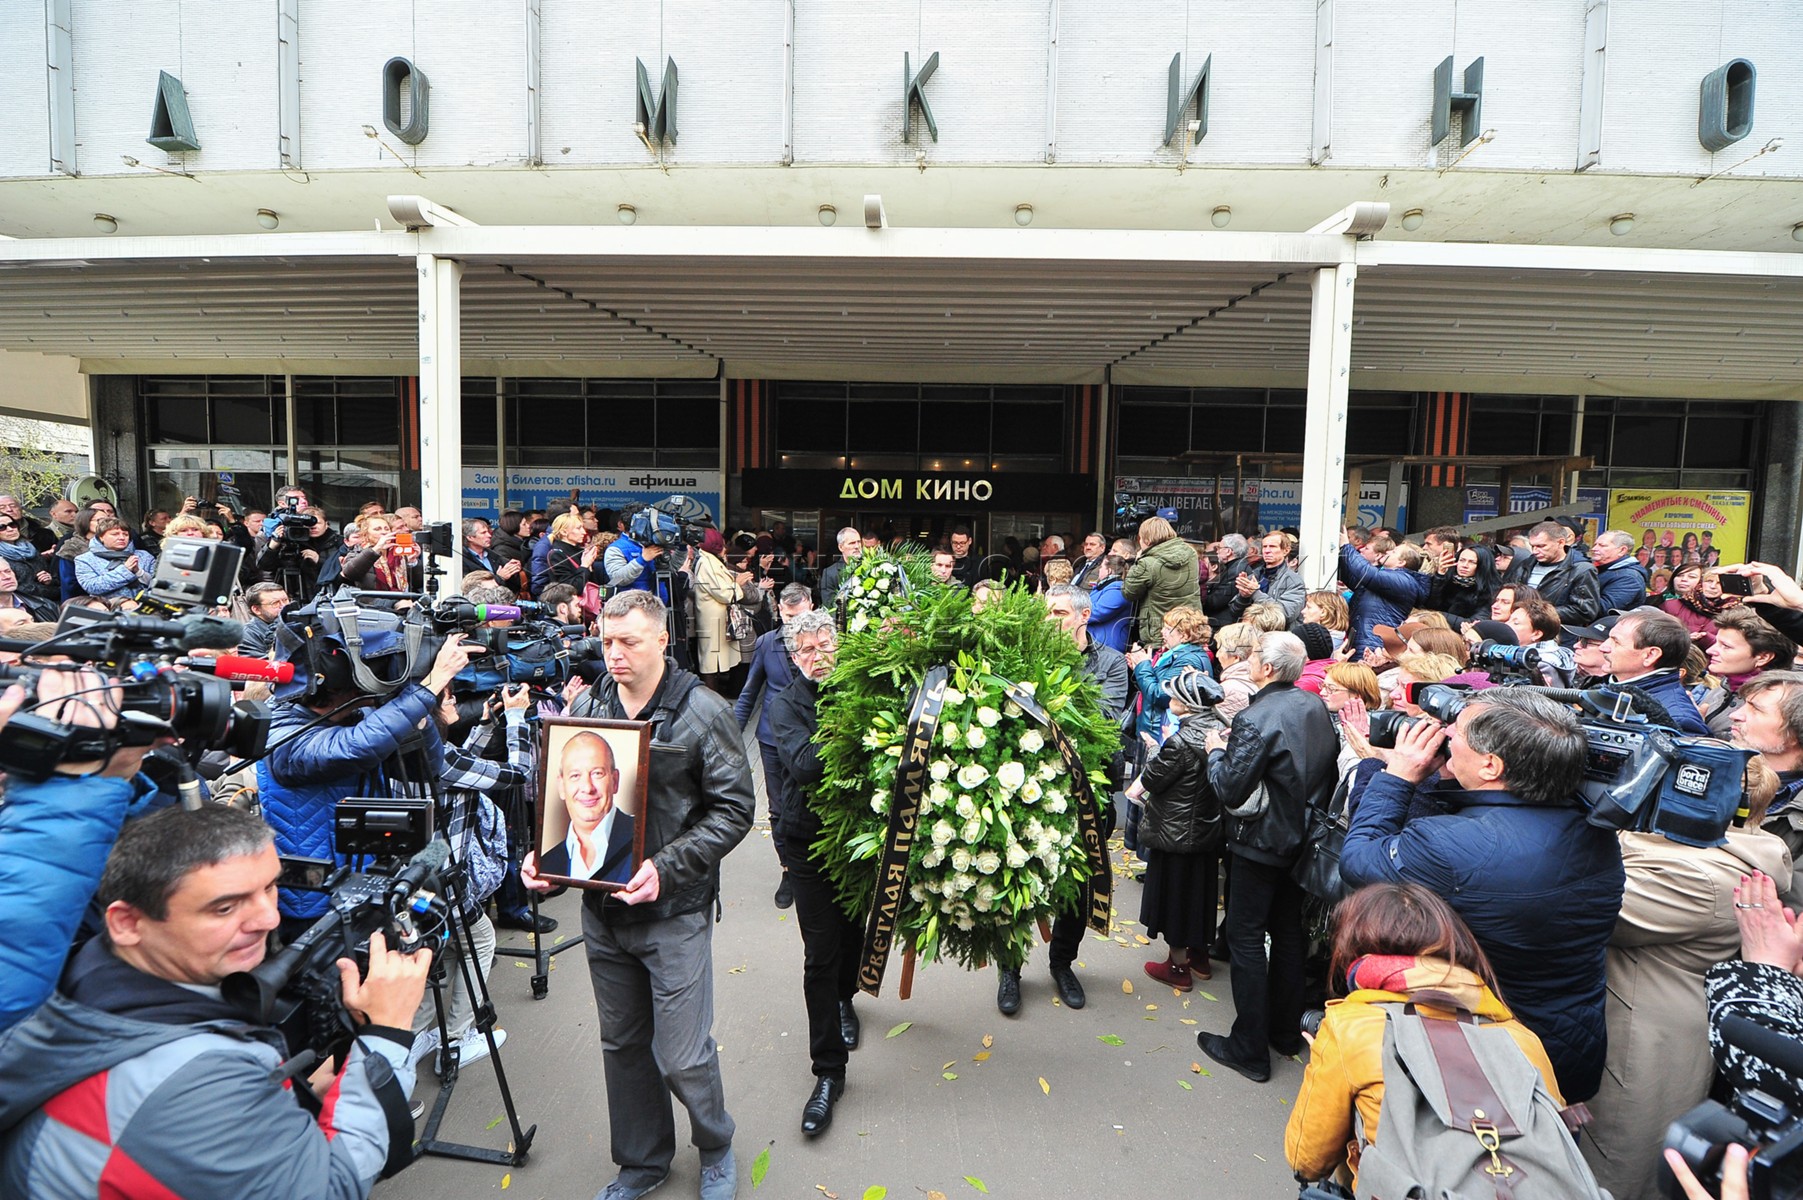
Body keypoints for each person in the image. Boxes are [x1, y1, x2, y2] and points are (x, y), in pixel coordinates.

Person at [0, 805, 431, 1200]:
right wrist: (387, 1031)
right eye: (225, 907)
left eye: (270, 887)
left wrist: (285, 1100)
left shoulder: (78, 983)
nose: (269, 918)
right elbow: (330, 1189)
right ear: (127, 922)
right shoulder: (194, 1085)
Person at [526, 589, 752, 1200]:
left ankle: (715, 1142)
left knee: (682, 1054)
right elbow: (564, 795)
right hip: (601, 909)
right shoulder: (591, 700)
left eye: (628, 641)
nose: (614, 654)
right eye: (606, 641)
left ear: (662, 640)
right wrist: (546, 858)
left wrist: (667, 866)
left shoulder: (705, 711)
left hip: (673, 910)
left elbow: (734, 809)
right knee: (623, 1044)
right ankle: (643, 1161)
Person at [1339, 690, 1626, 1102]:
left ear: (1491, 765)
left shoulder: (1453, 844)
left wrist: (1396, 777)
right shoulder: (1594, 830)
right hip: (1565, 1046)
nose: (1445, 733)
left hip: (1485, 1053)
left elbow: (1358, 861)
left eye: (1458, 732)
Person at [1580, 761, 1793, 1200]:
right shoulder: (1704, 850)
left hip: (1643, 1047)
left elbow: (1580, 904)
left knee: (1613, 1172)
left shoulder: (1709, 875)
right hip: (1630, 1021)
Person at [1285, 883, 1565, 1194]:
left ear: (1356, 949)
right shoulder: (1524, 1041)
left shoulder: (1351, 1028)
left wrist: (1324, 1066)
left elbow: (1305, 1160)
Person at [258, 631, 475, 927]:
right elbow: (354, 748)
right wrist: (430, 685)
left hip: (366, 881)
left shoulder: (356, 715)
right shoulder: (283, 734)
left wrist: (416, 710)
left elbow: (424, 767)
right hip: (315, 901)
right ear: (346, 683)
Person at [1198, 630, 1337, 1083]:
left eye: (1256, 654)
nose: (1250, 658)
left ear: (1269, 669)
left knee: (1246, 937)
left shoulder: (1257, 716)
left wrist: (1216, 754)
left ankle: (1249, 1046)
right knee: (1288, 933)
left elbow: (1230, 788)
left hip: (1260, 842)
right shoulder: (1313, 705)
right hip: (1300, 838)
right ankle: (1283, 1031)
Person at [996, 584, 1129, 1016]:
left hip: (1089, 789)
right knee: (1017, 876)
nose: (1049, 621)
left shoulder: (1109, 663)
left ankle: (1062, 963)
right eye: (1045, 613)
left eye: (1057, 613)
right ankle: (1009, 969)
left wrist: (1048, 703)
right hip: (1032, 785)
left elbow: (1103, 722)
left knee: (1077, 883)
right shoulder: (1026, 658)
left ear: (1082, 616)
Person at [764, 609, 863, 1136]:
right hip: (809, 842)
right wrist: (858, 733)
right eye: (807, 650)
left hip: (861, 839)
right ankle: (828, 1071)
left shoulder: (866, 688)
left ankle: (846, 998)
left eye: (827, 645)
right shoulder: (786, 705)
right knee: (820, 952)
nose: (819, 656)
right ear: (794, 657)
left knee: (856, 934)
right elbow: (803, 764)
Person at [1127, 669, 1227, 990]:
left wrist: (1154, 748)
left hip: (1175, 832)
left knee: (1174, 899)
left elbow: (1154, 778)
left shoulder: (1181, 742)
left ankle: (1178, 967)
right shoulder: (1217, 732)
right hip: (1206, 832)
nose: (1170, 701)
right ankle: (1200, 958)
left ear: (1187, 704)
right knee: (1200, 894)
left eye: (1174, 697)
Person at [735, 583, 813, 908]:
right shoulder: (767, 643)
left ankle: (814, 867)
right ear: (780, 611)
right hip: (771, 740)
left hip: (810, 739)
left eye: (801, 615)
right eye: (789, 616)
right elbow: (749, 693)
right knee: (779, 810)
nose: (794, 622)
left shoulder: (825, 641)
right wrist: (729, 736)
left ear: (812, 606)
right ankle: (787, 870)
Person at [540, 731, 637, 885]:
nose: (587, 787)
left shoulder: (643, 839)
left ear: (615, 781)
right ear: (561, 786)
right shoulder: (547, 863)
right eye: (575, 776)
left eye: (597, 773)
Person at [1595, 605, 1711, 734]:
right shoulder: (1608, 687)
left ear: (1650, 655)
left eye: (1616, 642)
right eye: (1609, 638)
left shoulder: (1677, 719)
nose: (1603, 647)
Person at [1703, 606, 1799, 737]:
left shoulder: (1776, 707)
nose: (1710, 650)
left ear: (1763, 657)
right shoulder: (1725, 686)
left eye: (1726, 646)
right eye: (1716, 642)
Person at [1502, 520, 1602, 638]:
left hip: (1558, 636)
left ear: (1560, 542)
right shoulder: (1526, 564)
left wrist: (1537, 613)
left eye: (1541, 546)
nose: (1535, 551)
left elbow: (1585, 611)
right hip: (1521, 633)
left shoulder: (1581, 570)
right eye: (1533, 546)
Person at [1338, 530, 1431, 654]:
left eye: (1394, 552)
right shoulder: (1386, 575)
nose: (1388, 552)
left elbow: (1365, 572)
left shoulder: (1404, 580)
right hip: (1366, 639)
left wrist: (1346, 546)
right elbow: (1353, 578)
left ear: (1401, 563)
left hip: (1373, 644)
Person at [1122, 516, 1203, 647]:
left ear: (1147, 540)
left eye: (1140, 538)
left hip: (1160, 633)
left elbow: (1129, 592)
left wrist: (1137, 562)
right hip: (1190, 628)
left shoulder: (1146, 564)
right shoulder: (1190, 553)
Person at [691, 528, 747, 694]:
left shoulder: (708, 559)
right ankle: (711, 699)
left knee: (713, 659)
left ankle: (713, 696)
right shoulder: (707, 563)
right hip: (712, 619)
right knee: (710, 661)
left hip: (715, 618)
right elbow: (724, 593)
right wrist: (739, 584)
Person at [1227, 531, 1307, 628]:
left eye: (1273, 546)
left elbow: (1284, 614)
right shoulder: (1253, 576)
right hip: (1251, 635)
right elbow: (1234, 612)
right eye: (1265, 547)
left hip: (1278, 638)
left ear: (1286, 551)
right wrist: (1243, 597)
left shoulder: (1294, 581)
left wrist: (1255, 592)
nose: (1267, 551)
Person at [76, 515, 157, 601]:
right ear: (101, 537)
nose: (122, 538)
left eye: (125, 534)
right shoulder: (84, 560)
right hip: (107, 609)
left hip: (143, 608)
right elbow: (93, 587)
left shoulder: (144, 556)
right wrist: (125, 570)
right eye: (115, 534)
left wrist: (139, 572)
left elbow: (157, 585)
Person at [0, 510, 58, 620]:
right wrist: (54, 590)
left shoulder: (30, 548)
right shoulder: (2, 559)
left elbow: (52, 576)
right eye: (2, 527)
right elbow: (15, 587)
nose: (10, 529)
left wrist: (50, 580)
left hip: (46, 605)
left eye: (12, 525)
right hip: (20, 606)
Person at [1431, 544, 1502, 621]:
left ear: (1482, 566)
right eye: (1462, 560)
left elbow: (1473, 622)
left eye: (1472, 562)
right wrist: (1440, 576)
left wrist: (1434, 616)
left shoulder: (1492, 591)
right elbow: (1432, 605)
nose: (1465, 565)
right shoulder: (1447, 580)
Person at [1591, 529, 1650, 613]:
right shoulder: (1600, 569)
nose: (1594, 548)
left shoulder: (1630, 578)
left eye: (1602, 545)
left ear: (1622, 550)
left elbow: (1603, 609)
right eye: (1595, 544)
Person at [1204, 534, 1254, 627]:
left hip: (1223, 624)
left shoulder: (1236, 570)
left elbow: (1216, 602)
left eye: (1219, 548)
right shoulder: (1234, 567)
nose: (1217, 551)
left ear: (1228, 551)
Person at [1086, 552, 1133, 651]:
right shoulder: (1104, 587)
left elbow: (1097, 612)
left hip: (1107, 644)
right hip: (1097, 641)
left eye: (1102, 567)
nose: (1099, 569)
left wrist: (1075, 614)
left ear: (1109, 571)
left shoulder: (1117, 590)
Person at [460, 517, 524, 589]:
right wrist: (500, 578)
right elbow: (470, 587)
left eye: (488, 531)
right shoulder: (461, 560)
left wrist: (513, 570)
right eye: (483, 533)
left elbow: (513, 586)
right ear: (470, 537)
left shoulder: (493, 555)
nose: (489, 535)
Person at [239, 582, 290, 657]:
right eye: (275, 603)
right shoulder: (247, 635)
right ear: (256, 609)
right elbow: (261, 665)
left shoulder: (295, 623)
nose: (283, 606)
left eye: (285, 600)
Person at [817, 527, 862, 612]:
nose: (857, 546)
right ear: (841, 547)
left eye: (859, 542)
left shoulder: (871, 566)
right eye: (852, 543)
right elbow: (829, 606)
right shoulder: (829, 573)